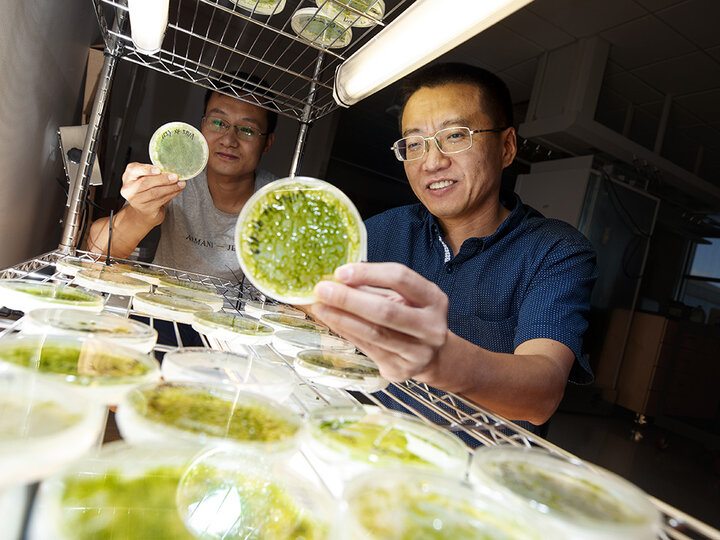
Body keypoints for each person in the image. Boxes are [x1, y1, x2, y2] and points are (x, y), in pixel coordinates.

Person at [309, 63, 597, 435]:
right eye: (414, 144)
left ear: (507, 147)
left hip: (476, 472)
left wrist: (440, 359)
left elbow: (541, 393)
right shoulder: (382, 231)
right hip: (373, 442)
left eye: (456, 136)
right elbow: (315, 298)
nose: (431, 162)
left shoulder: (556, 251)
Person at [85, 79, 278, 283]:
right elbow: (97, 253)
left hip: (235, 315)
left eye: (247, 129)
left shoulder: (280, 199)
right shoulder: (174, 177)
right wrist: (140, 215)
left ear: (267, 143)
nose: (229, 140)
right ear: (202, 126)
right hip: (160, 309)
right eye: (218, 123)